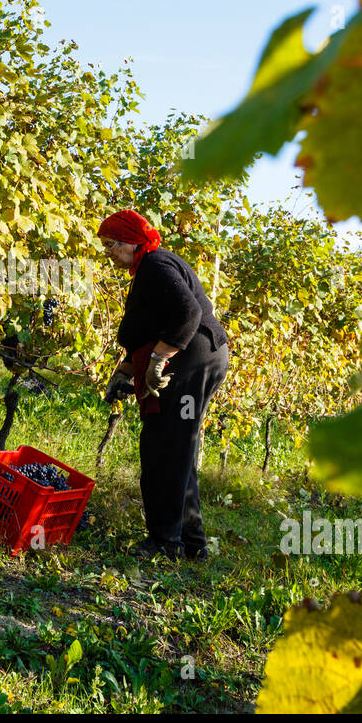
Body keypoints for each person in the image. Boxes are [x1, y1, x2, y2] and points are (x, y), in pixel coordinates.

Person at [99, 209, 229, 561]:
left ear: (130, 241)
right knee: (173, 445)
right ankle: (191, 544)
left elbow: (190, 314)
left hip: (192, 359)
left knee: (167, 447)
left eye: (111, 244)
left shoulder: (156, 264)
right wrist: (124, 371)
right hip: (193, 358)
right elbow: (143, 331)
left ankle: (165, 542)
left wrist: (158, 360)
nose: (109, 252)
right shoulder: (148, 270)